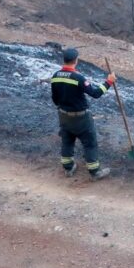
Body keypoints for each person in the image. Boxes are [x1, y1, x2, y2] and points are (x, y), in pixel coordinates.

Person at [50, 48, 115, 181]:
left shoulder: (55, 76)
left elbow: (55, 99)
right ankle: (94, 172)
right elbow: (95, 93)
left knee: (67, 141)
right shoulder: (78, 78)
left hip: (64, 115)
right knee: (90, 143)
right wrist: (109, 82)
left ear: (64, 60)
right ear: (76, 60)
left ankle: (68, 168)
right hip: (81, 118)